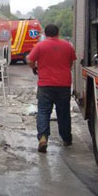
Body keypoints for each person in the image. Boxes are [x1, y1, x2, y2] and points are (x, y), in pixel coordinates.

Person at [26, 24, 76, 153]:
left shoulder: (40, 45)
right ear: (58, 32)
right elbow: (71, 62)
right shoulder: (67, 46)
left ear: (45, 34)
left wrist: (34, 68)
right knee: (63, 112)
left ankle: (43, 138)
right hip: (64, 85)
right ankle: (66, 138)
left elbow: (30, 60)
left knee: (43, 111)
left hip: (45, 85)